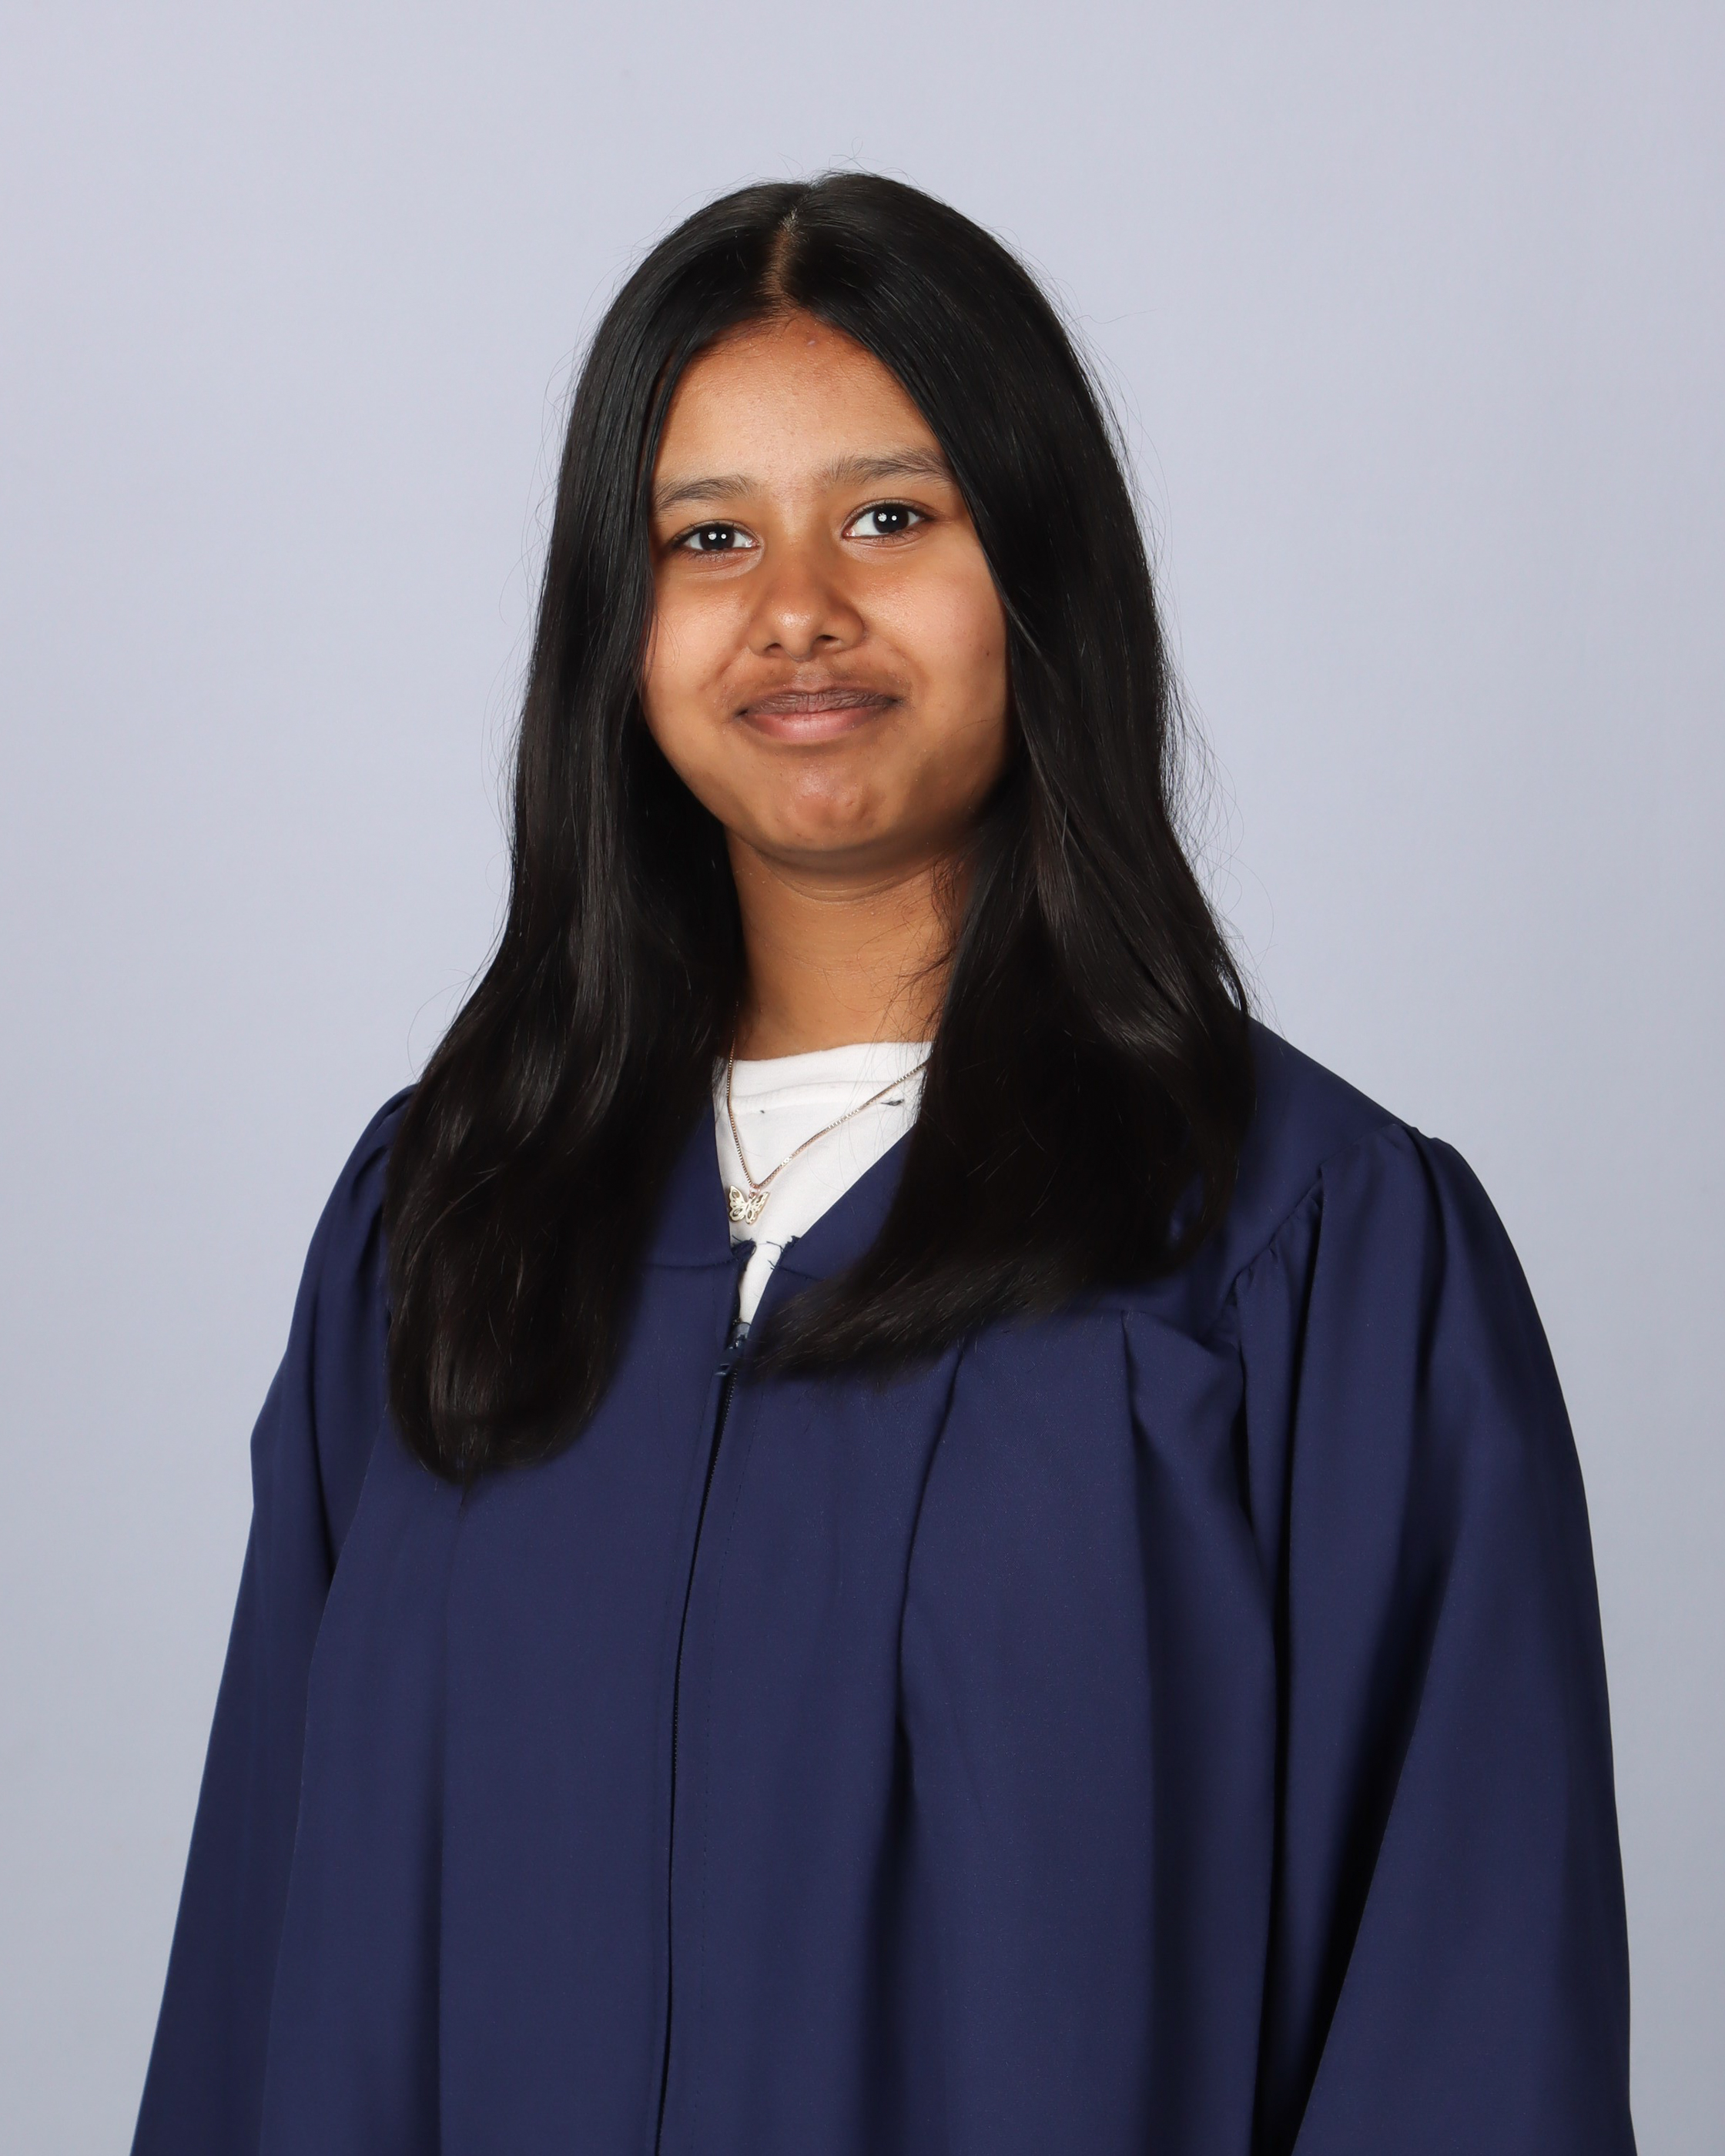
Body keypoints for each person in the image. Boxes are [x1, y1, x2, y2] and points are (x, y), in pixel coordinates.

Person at [131, 174, 1636, 2156]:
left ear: (1042, 569)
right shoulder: (447, 1222)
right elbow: (261, 1972)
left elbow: (1463, 2014)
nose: (796, 609)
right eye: (707, 536)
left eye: (890, 517)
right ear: (619, 627)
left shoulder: (1305, 1254)